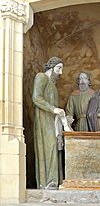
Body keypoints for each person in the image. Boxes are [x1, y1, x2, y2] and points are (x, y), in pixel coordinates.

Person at [32, 56, 67, 189]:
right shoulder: (41, 77)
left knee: (56, 147)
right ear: (51, 67)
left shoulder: (52, 85)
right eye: (59, 68)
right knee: (49, 146)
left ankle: (54, 181)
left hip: (52, 120)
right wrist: (54, 109)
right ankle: (47, 181)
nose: (60, 72)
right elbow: (36, 98)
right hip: (44, 119)